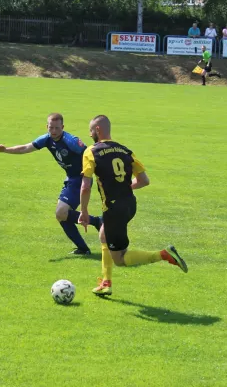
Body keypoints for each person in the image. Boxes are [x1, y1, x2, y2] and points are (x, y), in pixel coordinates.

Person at [78, 115, 188, 296]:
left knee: (120, 259)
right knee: (104, 234)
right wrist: (124, 187)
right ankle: (106, 282)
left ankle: (163, 254)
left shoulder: (91, 151)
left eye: (91, 130)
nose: (90, 135)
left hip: (114, 209)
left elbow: (85, 187)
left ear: (97, 129)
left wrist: (84, 211)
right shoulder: (126, 151)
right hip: (130, 204)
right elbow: (144, 180)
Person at [0, 113, 102, 255]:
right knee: (61, 215)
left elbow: (90, 154)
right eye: (51, 127)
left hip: (80, 179)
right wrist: (6, 150)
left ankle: (95, 225)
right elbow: (26, 148)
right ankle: (86, 244)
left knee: (61, 213)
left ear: (62, 127)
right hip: (70, 179)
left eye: (57, 128)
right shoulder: (46, 139)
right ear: (47, 127)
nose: (54, 131)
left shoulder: (71, 141)